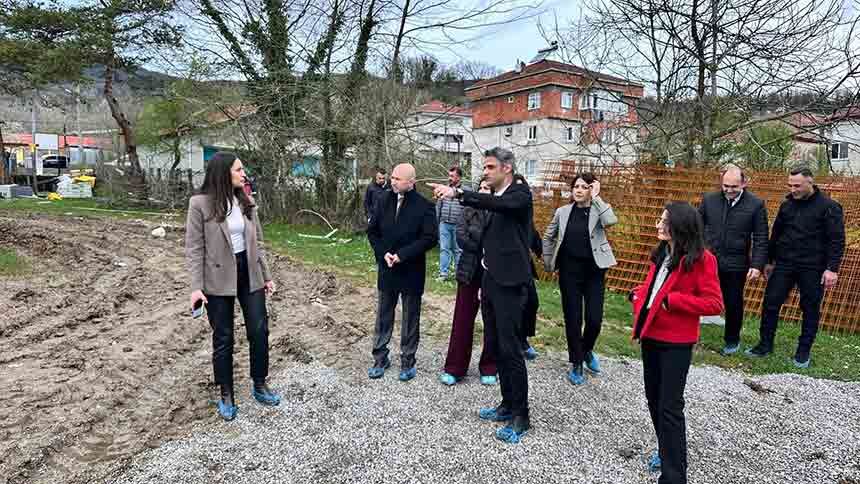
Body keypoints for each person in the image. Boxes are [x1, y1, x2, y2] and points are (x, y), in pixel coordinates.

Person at [430, 147, 533, 444]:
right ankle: (507, 404)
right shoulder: (497, 196)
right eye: (484, 167)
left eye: (490, 167)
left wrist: (458, 193)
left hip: (510, 283)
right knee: (497, 345)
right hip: (489, 279)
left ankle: (521, 415)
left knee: (511, 349)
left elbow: (500, 205)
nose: (485, 171)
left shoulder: (520, 193)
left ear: (506, 168)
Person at [629, 202, 723, 484]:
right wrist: (638, 295)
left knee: (670, 406)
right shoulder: (662, 253)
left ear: (680, 226)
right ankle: (666, 449)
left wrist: (673, 302)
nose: (658, 225)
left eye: (664, 221)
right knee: (654, 399)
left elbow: (714, 303)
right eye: (660, 219)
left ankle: (674, 476)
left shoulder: (703, 259)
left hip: (676, 343)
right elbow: (654, 288)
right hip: (651, 336)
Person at [185, 151, 280, 422]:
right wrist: (196, 287)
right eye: (239, 169)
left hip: (249, 272)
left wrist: (267, 276)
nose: (243, 174)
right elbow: (194, 248)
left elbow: (259, 243)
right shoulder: (199, 204)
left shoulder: (246, 201)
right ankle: (226, 393)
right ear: (223, 172)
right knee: (224, 336)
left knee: (259, 330)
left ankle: (260, 383)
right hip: (217, 277)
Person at [746, 166, 845, 368]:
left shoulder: (829, 207)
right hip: (785, 263)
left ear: (810, 182)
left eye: (797, 186)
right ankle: (764, 345)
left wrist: (832, 269)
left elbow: (837, 240)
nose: (793, 189)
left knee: (810, 308)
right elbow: (776, 234)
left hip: (813, 267)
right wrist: (769, 261)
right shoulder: (787, 205)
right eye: (790, 185)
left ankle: (803, 352)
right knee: (771, 303)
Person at [543, 173, 617, 385]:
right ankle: (576, 362)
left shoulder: (598, 210)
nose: (578, 190)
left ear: (591, 190)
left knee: (594, 319)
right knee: (573, 319)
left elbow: (611, 221)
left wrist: (597, 197)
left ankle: (586, 350)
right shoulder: (563, 212)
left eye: (584, 187)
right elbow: (549, 236)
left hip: (594, 273)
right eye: (576, 186)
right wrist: (548, 262)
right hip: (569, 273)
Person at [367, 163, 437, 381]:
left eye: (398, 179)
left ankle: (408, 360)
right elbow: (373, 232)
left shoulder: (424, 206)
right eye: (393, 177)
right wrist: (384, 254)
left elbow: (430, 238)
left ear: (411, 182)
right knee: (383, 315)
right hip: (387, 268)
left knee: (410, 318)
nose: (393, 181)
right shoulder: (383, 199)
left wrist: (403, 255)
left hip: (411, 270)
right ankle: (380, 357)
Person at [697, 164, 768, 355]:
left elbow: (761, 237)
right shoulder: (709, 200)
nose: (729, 190)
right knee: (697, 297)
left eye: (734, 187)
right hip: (707, 260)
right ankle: (690, 335)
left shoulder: (756, 205)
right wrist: (697, 251)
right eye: (725, 186)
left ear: (744, 183)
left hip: (736, 263)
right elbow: (697, 227)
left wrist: (757, 265)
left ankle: (731, 340)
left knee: (733, 302)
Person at [439, 178, 498, 386]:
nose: (483, 191)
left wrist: (482, 241)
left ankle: (489, 366)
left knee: (492, 321)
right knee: (462, 320)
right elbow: (461, 238)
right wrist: (483, 243)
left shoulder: (499, 213)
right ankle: (455, 368)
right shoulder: (467, 211)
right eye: (480, 188)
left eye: (487, 188)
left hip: (493, 272)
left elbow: (499, 240)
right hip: (469, 270)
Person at [436, 166, 469, 280]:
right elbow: (439, 206)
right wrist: (437, 222)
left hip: (459, 225)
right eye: (449, 175)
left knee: (458, 250)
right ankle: (443, 274)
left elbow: (468, 209)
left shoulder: (465, 191)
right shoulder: (444, 189)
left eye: (452, 176)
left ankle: (458, 273)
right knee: (444, 249)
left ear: (459, 177)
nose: (449, 178)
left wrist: (465, 224)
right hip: (444, 223)